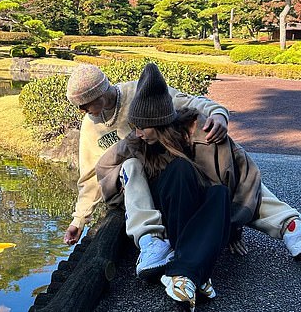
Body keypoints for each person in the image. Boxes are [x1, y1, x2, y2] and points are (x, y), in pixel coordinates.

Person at [62, 63, 301, 280]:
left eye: (84, 104)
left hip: (176, 173)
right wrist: (79, 220)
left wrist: (218, 115)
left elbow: (192, 102)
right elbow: (89, 176)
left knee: (230, 165)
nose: (82, 111)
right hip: (143, 189)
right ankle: (151, 242)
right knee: (130, 164)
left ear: (99, 94)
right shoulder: (92, 125)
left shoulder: (142, 93)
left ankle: (291, 227)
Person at [97, 63, 263, 311]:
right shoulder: (135, 142)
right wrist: (122, 190)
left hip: (191, 209)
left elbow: (239, 176)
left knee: (218, 193)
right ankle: (192, 271)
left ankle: (185, 274)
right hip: (165, 213)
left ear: (161, 123)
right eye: (135, 127)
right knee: (180, 170)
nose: (138, 133)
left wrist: (234, 230)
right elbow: (104, 169)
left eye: (143, 127)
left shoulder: (194, 132)